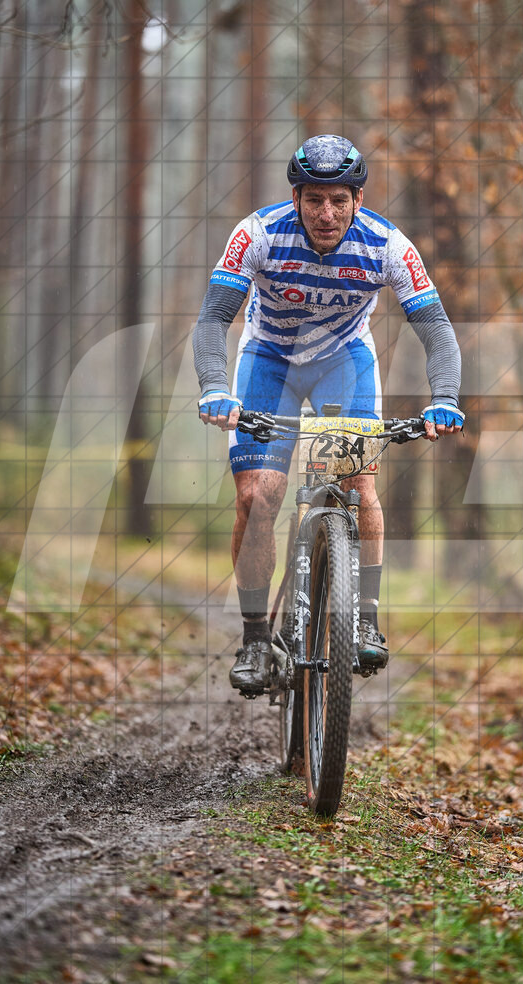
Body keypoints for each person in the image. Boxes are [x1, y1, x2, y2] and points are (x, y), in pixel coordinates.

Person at [193, 134, 464, 696]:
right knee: (258, 496)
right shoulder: (258, 234)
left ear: (358, 199)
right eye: (314, 200)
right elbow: (214, 318)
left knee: (359, 488)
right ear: (295, 197)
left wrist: (445, 397)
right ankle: (254, 639)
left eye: (339, 200)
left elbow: (436, 329)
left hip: (345, 363)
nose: (326, 214)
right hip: (269, 361)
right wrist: (216, 386)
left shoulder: (388, 245)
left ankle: (363, 619)